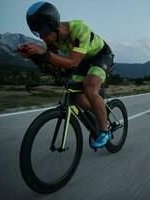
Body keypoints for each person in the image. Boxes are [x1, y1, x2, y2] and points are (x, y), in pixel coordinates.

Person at [17, 2, 114, 148]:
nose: (43, 38)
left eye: (43, 32)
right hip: (83, 60)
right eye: (37, 34)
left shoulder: (80, 28)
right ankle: (100, 112)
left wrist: (43, 52)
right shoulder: (53, 40)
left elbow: (72, 63)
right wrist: (33, 55)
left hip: (100, 56)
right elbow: (52, 63)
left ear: (54, 24)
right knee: (77, 97)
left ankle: (105, 131)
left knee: (89, 87)